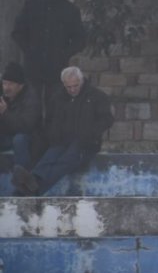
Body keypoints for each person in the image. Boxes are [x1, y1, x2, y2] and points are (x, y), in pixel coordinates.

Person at [11, 67, 114, 196]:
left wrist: (90, 134)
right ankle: (30, 182)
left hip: (85, 142)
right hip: (61, 140)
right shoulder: (58, 97)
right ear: (63, 84)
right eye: (68, 87)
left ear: (81, 81)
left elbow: (107, 119)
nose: (72, 90)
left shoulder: (96, 96)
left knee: (65, 161)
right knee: (48, 159)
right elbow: (49, 120)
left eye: (75, 86)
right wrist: (53, 135)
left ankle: (32, 191)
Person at [11, 0, 86, 103]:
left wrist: (64, 53)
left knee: (55, 106)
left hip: (57, 68)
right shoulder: (33, 5)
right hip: (33, 67)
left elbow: (80, 39)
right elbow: (18, 32)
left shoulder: (70, 10)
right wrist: (30, 50)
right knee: (32, 105)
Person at [0, 62, 42, 169]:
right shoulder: (5, 94)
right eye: (4, 83)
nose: (6, 88)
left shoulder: (31, 99)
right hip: (8, 135)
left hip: (30, 139)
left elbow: (26, 127)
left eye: (10, 84)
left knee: (19, 139)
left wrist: (5, 113)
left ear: (20, 85)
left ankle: (23, 172)